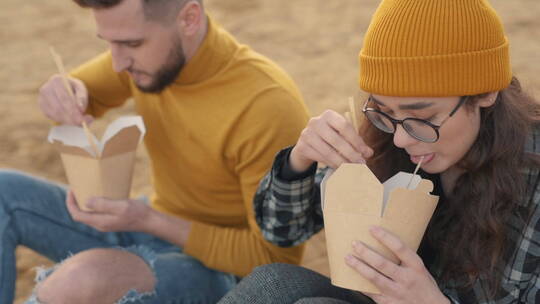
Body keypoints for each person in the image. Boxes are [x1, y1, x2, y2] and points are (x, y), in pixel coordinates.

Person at [218, 0, 540, 303]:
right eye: (383, 110)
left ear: (485, 94)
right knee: (270, 284)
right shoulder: (384, 138)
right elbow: (281, 231)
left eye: (422, 117)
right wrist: (299, 161)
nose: (400, 138)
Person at [0, 0, 310, 303]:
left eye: (132, 43)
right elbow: (81, 94)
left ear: (189, 19)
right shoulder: (149, 59)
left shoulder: (267, 106)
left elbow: (273, 259)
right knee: (3, 191)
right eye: (109, 43)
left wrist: (146, 219)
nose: (117, 62)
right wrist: (62, 94)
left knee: (79, 280)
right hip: (147, 223)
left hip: (225, 271)